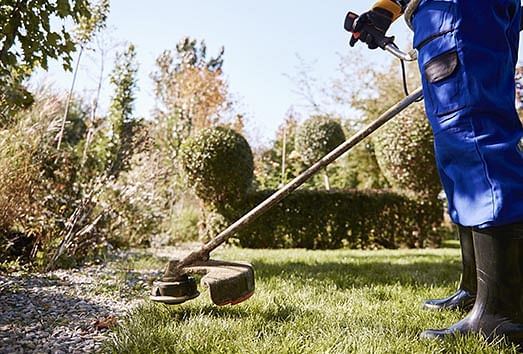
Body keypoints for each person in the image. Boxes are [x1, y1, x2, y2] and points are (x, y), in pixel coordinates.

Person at [349, 0, 523, 346]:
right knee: (458, 152)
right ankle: (477, 291)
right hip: (454, 13)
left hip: (456, 10)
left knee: (473, 137)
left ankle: (502, 313)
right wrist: (385, 11)